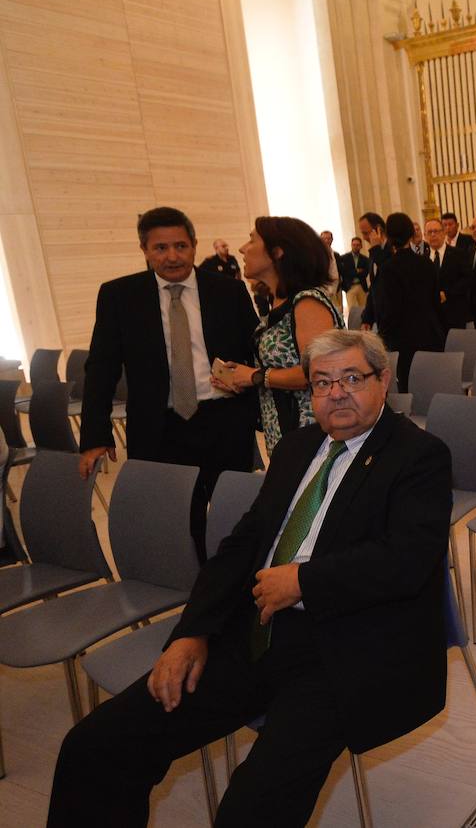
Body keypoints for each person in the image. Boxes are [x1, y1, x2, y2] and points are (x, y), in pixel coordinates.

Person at [48, 330, 452, 828]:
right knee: (96, 747)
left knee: (251, 809)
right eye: (322, 383)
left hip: (345, 649)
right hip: (255, 630)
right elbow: (240, 548)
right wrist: (191, 632)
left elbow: (407, 559)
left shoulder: (419, 455)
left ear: (382, 380)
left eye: (352, 378)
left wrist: (305, 581)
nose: (337, 392)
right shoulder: (298, 447)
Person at [79, 207, 260, 563]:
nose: (172, 256)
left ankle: (238, 590)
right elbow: (100, 368)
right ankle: (195, 594)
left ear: (194, 246)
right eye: (160, 248)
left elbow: (254, 353)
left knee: (235, 516)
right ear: (144, 250)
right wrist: (95, 436)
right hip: (159, 428)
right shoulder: (119, 296)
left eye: (180, 246)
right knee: (177, 523)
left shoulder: (230, 291)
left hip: (223, 421)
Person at [214, 217, 342, 455]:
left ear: (278, 252)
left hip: (314, 434)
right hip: (285, 433)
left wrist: (255, 376)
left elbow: (320, 371)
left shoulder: (307, 302)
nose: (242, 248)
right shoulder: (279, 302)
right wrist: (239, 378)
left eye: (252, 240)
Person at [370, 212, 445, 390]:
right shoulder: (426, 263)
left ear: (387, 235)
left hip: (403, 342)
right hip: (430, 336)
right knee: (433, 389)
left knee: (409, 393)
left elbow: (387, 310)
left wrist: (383, 338)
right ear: (412, 234)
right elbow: (435, 302)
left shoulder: (388, 268)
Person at [424, 215, 472, 330]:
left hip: (454, 313)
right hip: (432, 318)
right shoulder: (422, 259)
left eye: (436, 231)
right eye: (429, 232)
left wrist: (447, 293)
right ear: (424, 236)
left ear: (443, 233)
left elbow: (467, 279)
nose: (433, 235)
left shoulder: (458, 254)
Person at [338, 236, 371, 311]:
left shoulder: (365, 259)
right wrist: (357, 271)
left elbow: (365, 273)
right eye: (354, 245)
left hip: (361, 286)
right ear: (351, 245)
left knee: (364, 309)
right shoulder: (343, 258)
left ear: (361, 246)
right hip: (350, 287)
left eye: (358, 245)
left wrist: (352, 271)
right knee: (353, 310)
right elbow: (344, 272)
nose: (355, 247)